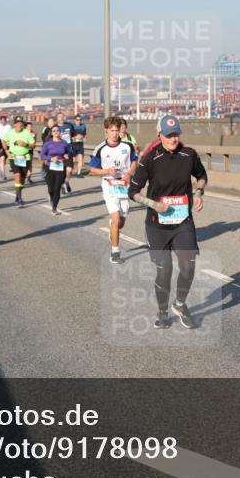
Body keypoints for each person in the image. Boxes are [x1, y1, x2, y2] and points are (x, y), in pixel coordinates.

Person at [128, 115, 207, 329]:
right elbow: (133, 192)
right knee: (165, 270)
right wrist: (153, 204)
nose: (173, 139)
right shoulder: (150, 158)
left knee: (188, 266)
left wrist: (198, 193)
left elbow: (201, 176)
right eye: (168, 135)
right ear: (159, 134)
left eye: (176, 134)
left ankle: (180, 304)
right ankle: (162, 312)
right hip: (157, 224)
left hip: (182, 221)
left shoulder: (189, 154)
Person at [89, 116, 138, 264]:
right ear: (106, 130)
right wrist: (106, 171)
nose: (115, 133)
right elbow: (92, 170)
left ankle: (114, 228)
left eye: (117, 130)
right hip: (109, 184)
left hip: (124, 185)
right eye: (112, 130)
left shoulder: (128, 146)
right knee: (116, 218)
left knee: (121, 221)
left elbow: (134, 161)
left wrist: (129, 173)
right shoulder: (100, 149)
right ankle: (115, 252)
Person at [2, 117, 36, 207]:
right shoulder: (10, 132)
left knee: (22, 180)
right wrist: (6, 150)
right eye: (17, 123)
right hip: (14, 157)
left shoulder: (27, 133)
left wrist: (26, 144)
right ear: (14, 124)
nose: (19, 125)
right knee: (17, 175)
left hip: (25, 158)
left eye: (21, 124)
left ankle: (17, 196)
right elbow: (4, 141)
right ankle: (20, 199)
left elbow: (33, 145)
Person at [40, 126, 74, 215]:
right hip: (49, 167)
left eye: (57, 130)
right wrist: (50, 158)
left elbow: (70, 152)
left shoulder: (64, 143)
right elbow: (42, 155)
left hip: (60, 167)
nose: (56, 132)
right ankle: (51, 197)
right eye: (54, 130)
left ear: (60, 132)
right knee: (51, 188)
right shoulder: (48, 143)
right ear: (51, 133)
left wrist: (66, 155)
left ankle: (54, 208)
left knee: (57, 188)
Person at [54, 112, 75, 193]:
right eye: (59, 117)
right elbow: (50, 139)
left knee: (69, 170)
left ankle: (66, 181)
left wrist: (74, 138)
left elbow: (73, 134)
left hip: (69, 150)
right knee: (60, 171)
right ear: (57, 118)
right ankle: (62, 185)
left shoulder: (69, 125)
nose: (61, 118)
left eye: (62, 116)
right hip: (58, 152)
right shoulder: (54, 128)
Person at [0, 115, 11, 180]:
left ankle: (2, 171)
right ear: (0, 120)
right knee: (2, 158)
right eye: (2, 120)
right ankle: (3, 174)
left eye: (4, 120)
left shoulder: (8, 126)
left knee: (4, 160)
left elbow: (11, 134)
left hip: (7, 144)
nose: (3, 121)